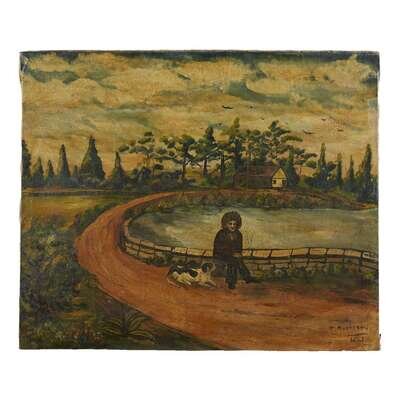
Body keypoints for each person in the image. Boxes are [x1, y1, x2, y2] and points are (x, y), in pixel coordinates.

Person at [213, 211, 257, 289]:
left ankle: (233, 281)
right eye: (230, 224)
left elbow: (239, 247)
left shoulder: (238, 234)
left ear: (237, 224)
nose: (232, 226)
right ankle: (245, 278)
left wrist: (238, 253)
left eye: (234, 224)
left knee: (235, 259)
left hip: (232, 256)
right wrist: (232, 254)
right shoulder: (221, 234)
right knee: (233, 259)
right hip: (220, 255)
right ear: (226, 224)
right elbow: (218, 248)